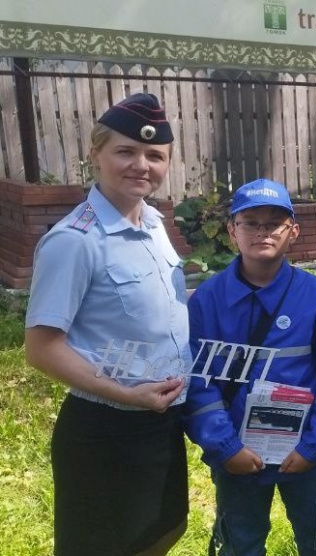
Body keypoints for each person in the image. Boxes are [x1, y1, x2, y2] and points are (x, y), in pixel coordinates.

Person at [24, 93, 191, 555]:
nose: (141, 164)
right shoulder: (74, 242)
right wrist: (125, 393)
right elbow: (41, 349)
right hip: (105, 428)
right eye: (125, 151)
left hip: (159, 421)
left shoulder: (154, 223)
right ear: (95, 154)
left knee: (160, 532)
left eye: (155, 156)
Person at [184, 178, 316, 555]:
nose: (262, 232)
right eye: (250, 223)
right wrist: (226, 447)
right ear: (232, 231)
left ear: (292, 231)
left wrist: (314, 446)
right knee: (240, 542)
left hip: (307, 455)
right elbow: (198, 382)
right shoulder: (207, 301)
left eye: (273, 223)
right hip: (238, 456)